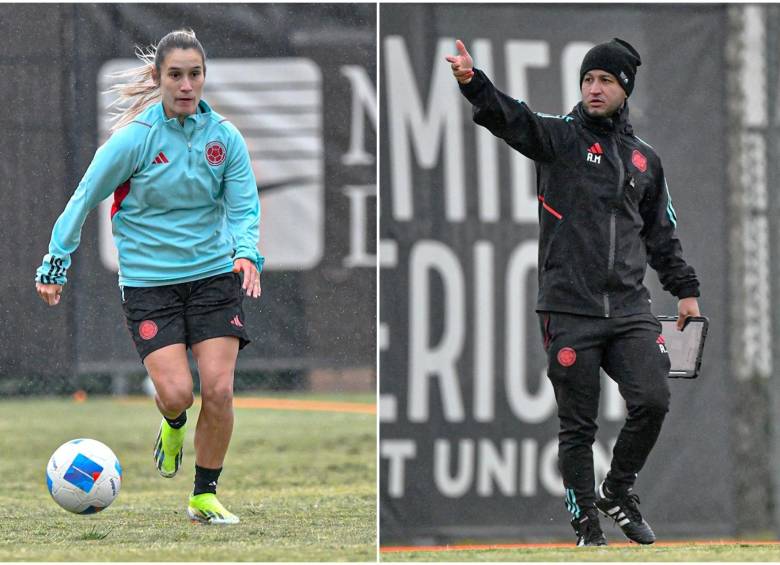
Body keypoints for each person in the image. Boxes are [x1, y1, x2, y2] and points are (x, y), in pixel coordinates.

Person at [446, 38, 701, 546]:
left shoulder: (645, 160)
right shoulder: (560, 137)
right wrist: (473, 83)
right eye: (588, 79)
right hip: (568, 308)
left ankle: (617, 490)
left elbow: (661, 235)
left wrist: (686, 291)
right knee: (578, 426)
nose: (594, 88)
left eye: (605, 80)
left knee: (652, 399)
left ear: (625, 89)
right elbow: (512, 117)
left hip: (629, 308)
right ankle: (587, 525)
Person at [35, 29, 263, 525]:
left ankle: (203, 496)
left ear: (204, 77)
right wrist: (56, 260)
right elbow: (84, 197)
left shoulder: (225, 138)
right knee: (179, 394)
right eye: (175, 75)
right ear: (159, 78)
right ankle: (173, 423)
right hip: (149, 285)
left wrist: (247, 254)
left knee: (220, 391)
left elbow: (245, 207)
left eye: (195, 74)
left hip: (212, 278)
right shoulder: (135, 139)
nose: (186, 85)